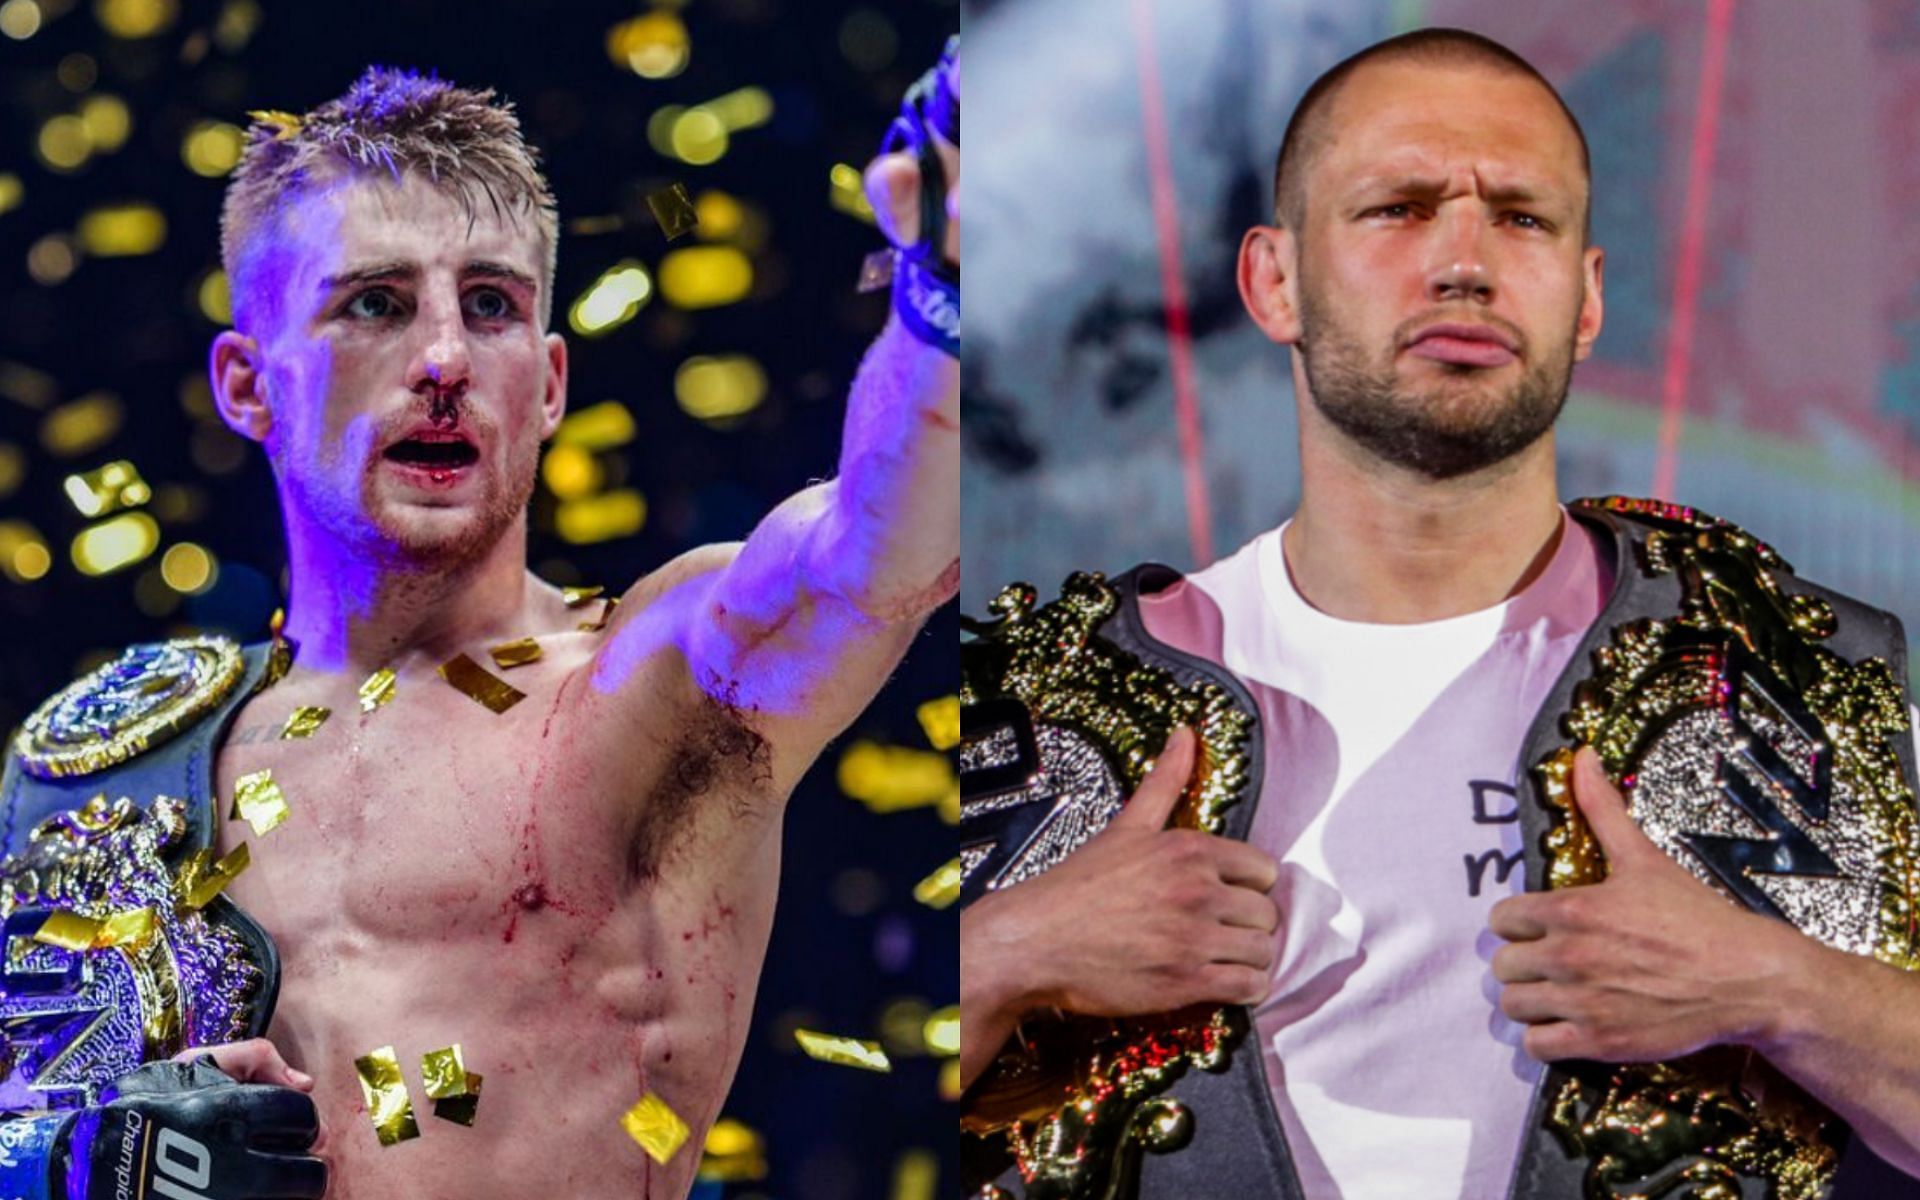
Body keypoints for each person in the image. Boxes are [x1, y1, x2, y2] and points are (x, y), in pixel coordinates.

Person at [960, 27, 1920, 1200]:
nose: (1464, 262)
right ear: (1274, 281)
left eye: (1521, 218)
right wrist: (1009, 953)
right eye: (1399, 209)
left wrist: (1781, 987)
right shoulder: (1035, 703)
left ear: (1586, 296)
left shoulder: (1813, 682)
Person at [0, 50, 958, 1200]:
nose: (446, 359)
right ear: (249, 385)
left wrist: (937, 295)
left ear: (549, 384)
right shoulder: (100, 762)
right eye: (376, 303)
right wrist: (47, 1163)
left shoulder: (655, 689)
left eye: (492, 305)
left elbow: (875, 547)